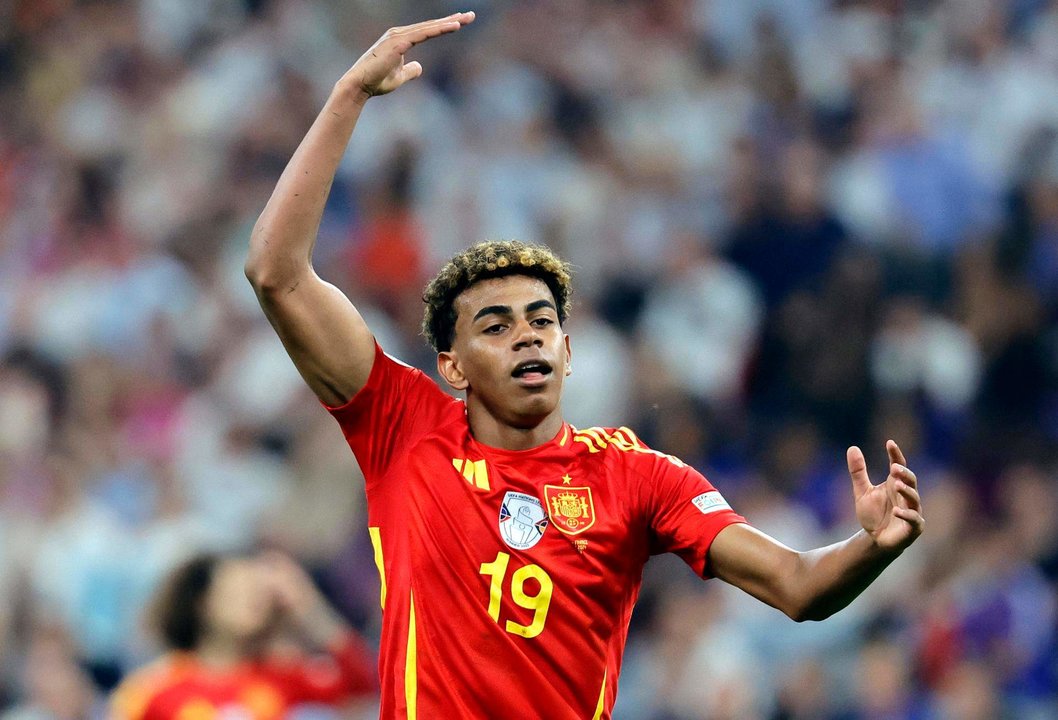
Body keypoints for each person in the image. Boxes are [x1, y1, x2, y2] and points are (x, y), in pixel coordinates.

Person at [244, 11, 925, 719]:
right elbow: (276, 272)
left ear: (569, 352)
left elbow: (795, 583)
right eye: (497, 326)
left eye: (543, 323)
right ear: (453, 366)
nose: (528, 338)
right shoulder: (403, 427)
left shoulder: (636, 477)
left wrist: (871, 547)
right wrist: (349, 94)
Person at [109, 552, 376, 720]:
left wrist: (309, 607)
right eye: (237, 588)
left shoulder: (283, 675)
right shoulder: (152, 689)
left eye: (257, 591)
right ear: (202, 601)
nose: (251, 598)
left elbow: (363, 687)